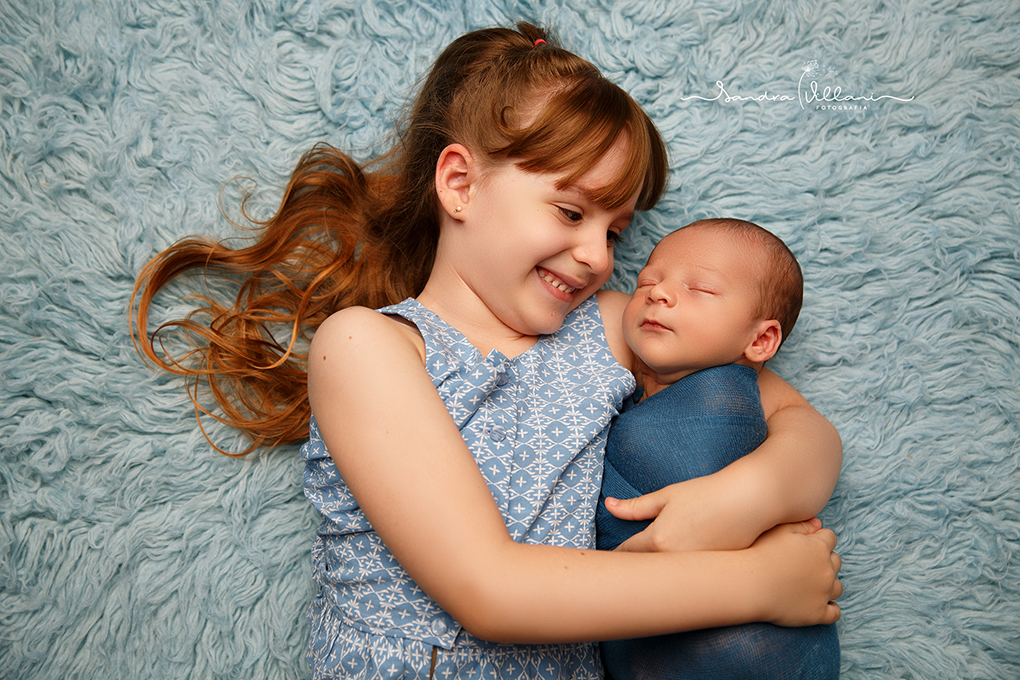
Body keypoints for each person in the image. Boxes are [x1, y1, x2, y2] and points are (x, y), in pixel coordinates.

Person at [131, 24, 843, 680]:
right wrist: (759, 584)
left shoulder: (611, 333)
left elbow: (802, 428)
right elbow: (490, 590)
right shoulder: (368, 346)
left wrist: (739, 503)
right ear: (460, 184)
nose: (598, 255)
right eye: (571, 212)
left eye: (617, 232)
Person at [596, 219, 840, 679]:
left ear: (760, 340)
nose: (657, 292)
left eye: (701, 289)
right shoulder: (612, 352)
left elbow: (816, 436)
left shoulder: (736, 385)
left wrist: (742, 497)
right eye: (647, 279)